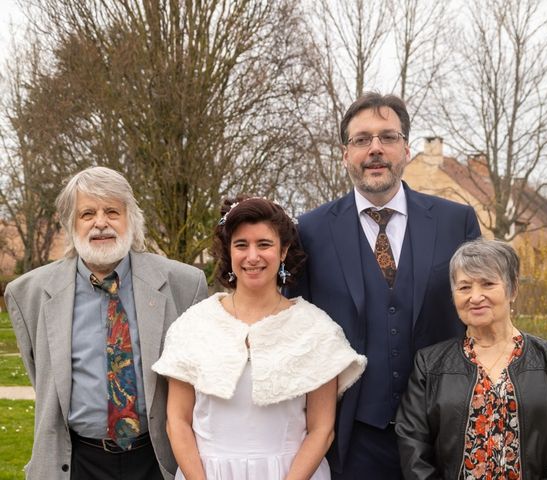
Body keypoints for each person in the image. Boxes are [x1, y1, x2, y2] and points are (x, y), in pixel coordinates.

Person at [286, 92, 482, 479]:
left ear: (406, 149)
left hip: (442, 431)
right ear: (345, 154)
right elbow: (295, 329)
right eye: (362, 140)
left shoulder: (456, 222)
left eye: (387, 137)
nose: (375, 149)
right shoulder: (310, 230)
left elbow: (482, 317)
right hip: (352, 437)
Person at [5, 166, 209, 480]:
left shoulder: (184, 284)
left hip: (159, 460)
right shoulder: (28, 293)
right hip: (77, 462)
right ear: (71, 223)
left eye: (112, 211)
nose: (101, 223)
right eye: (87, 213)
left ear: (131, 219)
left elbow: (197, 380)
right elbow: (43, 377)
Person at [152, 197, 366, 480]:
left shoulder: (316, 330)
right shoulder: (193, 325)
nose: (252, 256)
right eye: (241, 245)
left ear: (283, 250)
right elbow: (177, 421)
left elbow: (321, 429)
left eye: (264, 244)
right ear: (229, 252)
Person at [395, 238, 547, 479]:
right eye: (464, 287)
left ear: (513, 289)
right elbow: (413, 448)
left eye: (488, 284)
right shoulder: (429, 364)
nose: (475, 297)